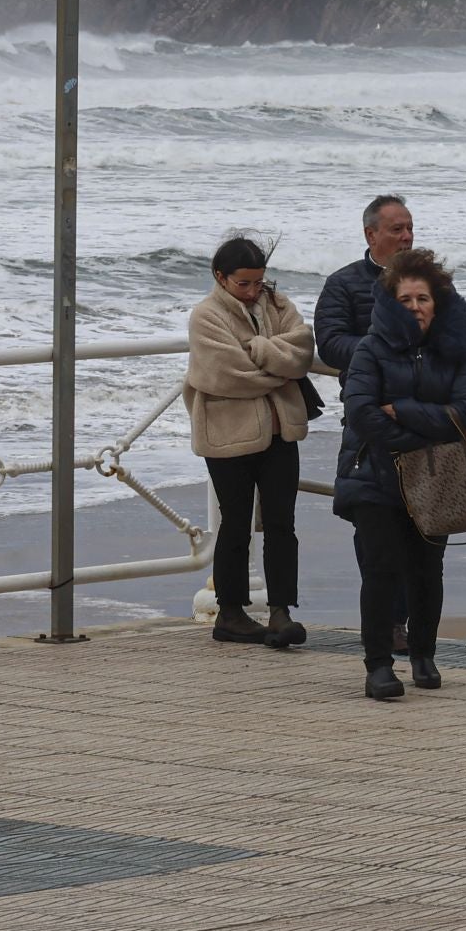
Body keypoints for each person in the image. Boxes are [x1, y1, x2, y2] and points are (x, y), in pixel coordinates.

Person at [333, 248, 466, 700]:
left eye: (423, 299)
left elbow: (465, 413)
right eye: (406, 299)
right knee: (380, 570)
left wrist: (407, 412)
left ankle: (423, 654)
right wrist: (423, 434)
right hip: (373, 475)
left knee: (426, 570)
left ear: (438, 303)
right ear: (390, 303)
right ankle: (378, 664)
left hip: (434, 479)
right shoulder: (370, 349)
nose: (415, 307)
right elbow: (361, 413)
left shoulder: (454, 353)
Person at [184, 233, 315, 647]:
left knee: (281, 522)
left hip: (280, 430)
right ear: (220, 277)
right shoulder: (205, 316)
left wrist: (258, 347)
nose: (253, 290)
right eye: (244, 283)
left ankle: (280, 610)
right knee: (235, 522)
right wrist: (279, 368)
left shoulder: (277, 305)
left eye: (259, 282)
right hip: (227, 435)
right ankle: (231, 612)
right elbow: (227, 375)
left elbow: (302, 350)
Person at [316, 193, 416, 652]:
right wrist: (386, 350)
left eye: (409, 227)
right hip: (369, 423)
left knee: (420, 527)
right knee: (374, 529)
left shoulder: (427, 282)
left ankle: (413, 626)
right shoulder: (344, 284)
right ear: (370, 234)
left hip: (423, 420)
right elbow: (331, 343)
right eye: (396, 229)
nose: (406, 236)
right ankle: (386, 624)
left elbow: (454, 340)